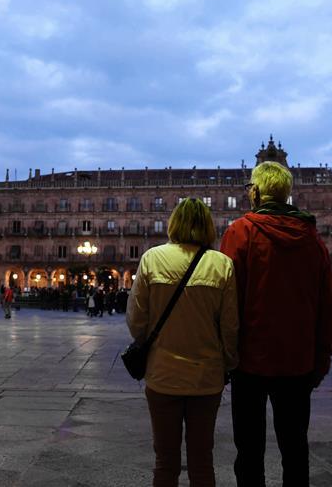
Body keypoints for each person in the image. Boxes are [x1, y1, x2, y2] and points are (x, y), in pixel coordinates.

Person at [220, 161, 332, 487]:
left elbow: (226, 301)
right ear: (287, 193)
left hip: (248, 362)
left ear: (255, 192)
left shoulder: (239, 232)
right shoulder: (312, 239)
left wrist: (225, 355)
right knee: (296, 448)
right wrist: (322, 359)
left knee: (249, 452)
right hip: (298, 362)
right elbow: (327, 305)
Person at [127, 197, 239, 487]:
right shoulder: (222, 264)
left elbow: (136, 320)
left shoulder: (152, 258)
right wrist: (227, 363)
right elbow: (230, 327)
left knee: (165, 462)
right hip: (207, 378)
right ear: (208, 226)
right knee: (203, 461)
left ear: (173, 223)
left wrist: (150, 344)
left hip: (162, 375)